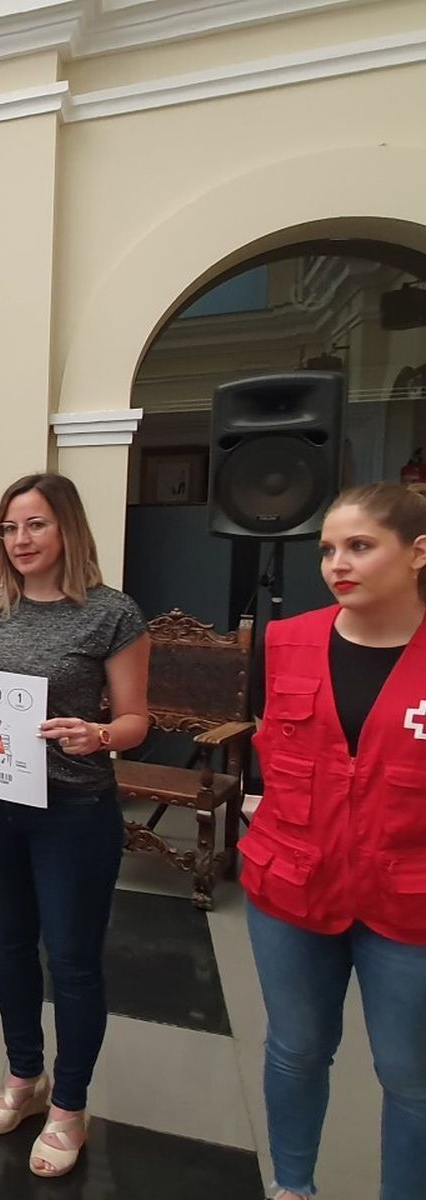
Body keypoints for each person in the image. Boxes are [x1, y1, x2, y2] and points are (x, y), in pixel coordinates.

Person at [0, 472, 150, 1179]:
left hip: (73, 810)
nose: (21, 540)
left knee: (70, 960)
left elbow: (136, 720)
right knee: (7, 945)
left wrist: (98, 735)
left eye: (35, 525)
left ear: (67, 527)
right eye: (10, 528)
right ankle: (24, 1077)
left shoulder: (111, 614)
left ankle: (69, 1104)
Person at [243, 483, 426, 1200]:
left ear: (417, 553)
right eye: (327, 550)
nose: (337, 564)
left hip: (407, 900)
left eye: (359, 546)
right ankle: (293, 1186)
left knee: (408, 1074)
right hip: (291, 882)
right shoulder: (287, 640)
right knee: (295, 1049)